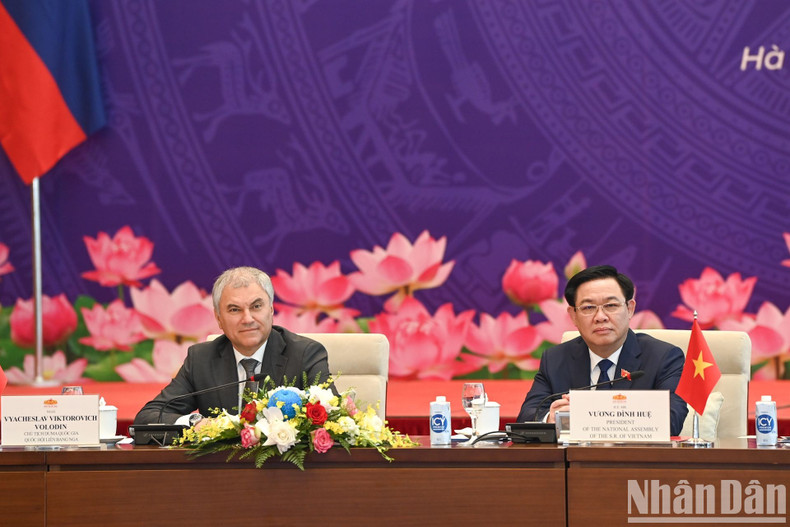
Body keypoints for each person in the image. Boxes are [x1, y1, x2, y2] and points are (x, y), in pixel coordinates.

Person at [134, 266, 331, 427]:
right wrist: (196, 422)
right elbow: (148, 416)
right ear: (219, 318)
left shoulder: (305, 354)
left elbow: (331, 415)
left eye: (256, 306)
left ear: (271, 310)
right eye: (235, 310)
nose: (248, 319)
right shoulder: (201, 359)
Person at [517, 265, 688, 436]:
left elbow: (671, 421)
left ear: (630, 309)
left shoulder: (664, 358)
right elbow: (527, 417)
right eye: (588, 308)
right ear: (573, 315)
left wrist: (588, 415)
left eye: (611, 305)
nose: (600, 317)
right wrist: (550, 418)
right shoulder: (555, 359)